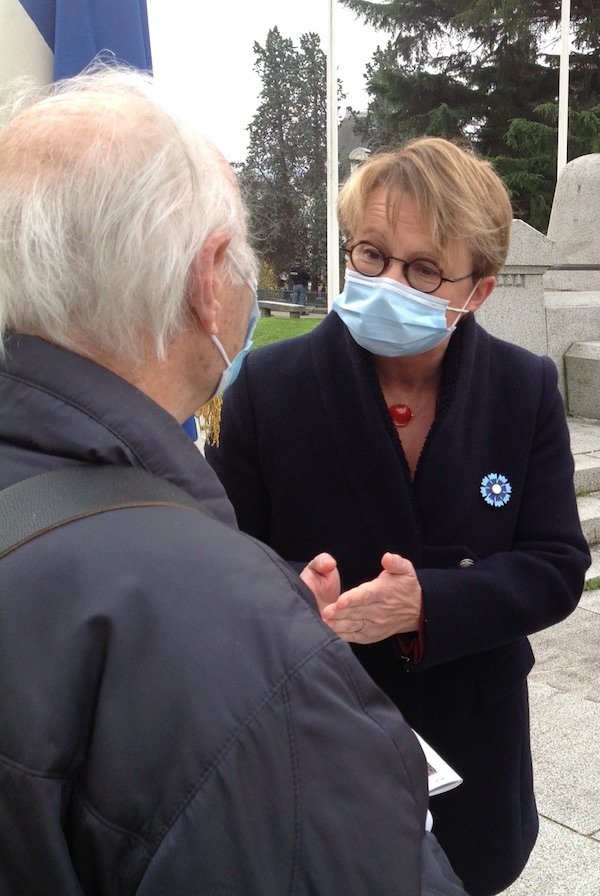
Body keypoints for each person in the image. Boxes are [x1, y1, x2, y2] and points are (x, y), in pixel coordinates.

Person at [0, 68, 464, 895]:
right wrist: (259, 613)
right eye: (371, 255)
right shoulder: (242, 648)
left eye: (424, 269)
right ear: (208, 282)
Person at [206, 136, 590, 896]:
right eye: (372, 255)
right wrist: (291, 593)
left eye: (422, 270)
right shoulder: (269, 385)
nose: (388, 281)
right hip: (316, 733)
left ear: (478, 291)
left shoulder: (524, 387)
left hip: (472, 739)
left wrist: (428, 603)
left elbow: (556, 566)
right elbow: (220, 558)